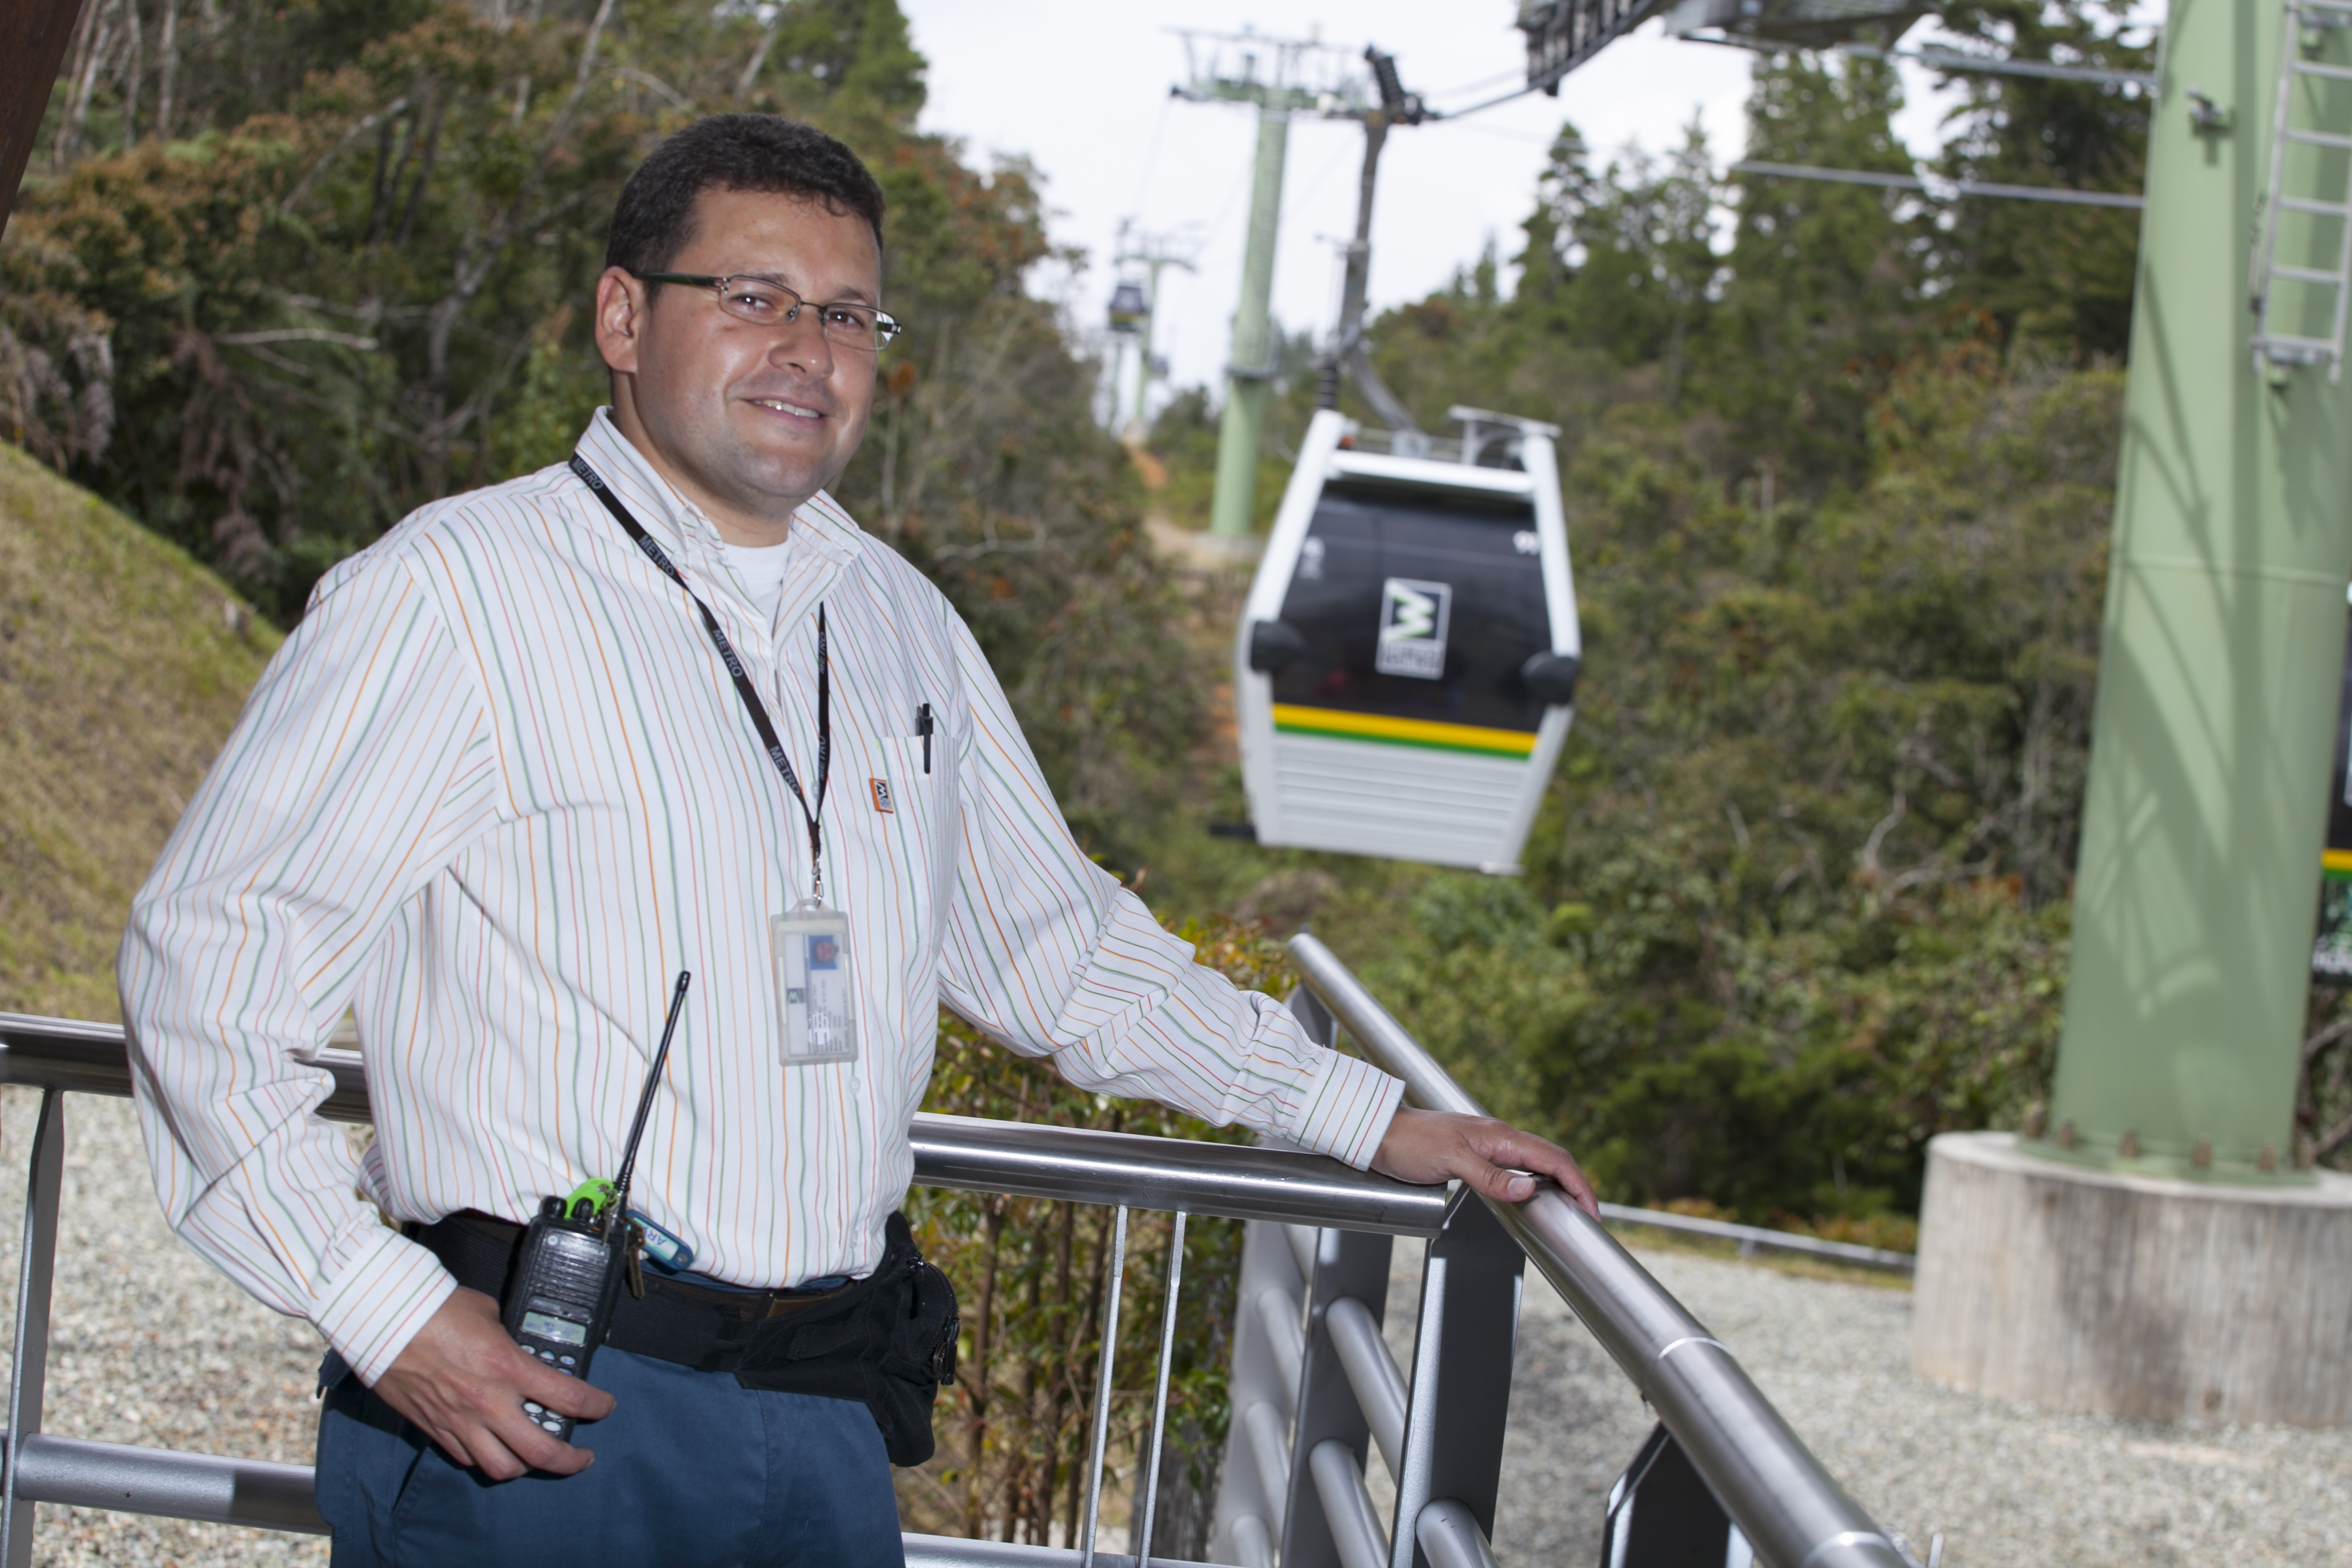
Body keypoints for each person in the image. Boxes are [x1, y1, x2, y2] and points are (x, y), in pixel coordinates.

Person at [118, 114, 1595, 1568]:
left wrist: (1364, 1115)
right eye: (750, 297)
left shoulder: (901, 626)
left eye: (844, 313)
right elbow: (206, 973)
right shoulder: (454, 595)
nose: (804, 348)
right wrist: (384, 1312)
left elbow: (1058, 949)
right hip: (543, 1417)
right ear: (623, 319)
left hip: (826, 1412)